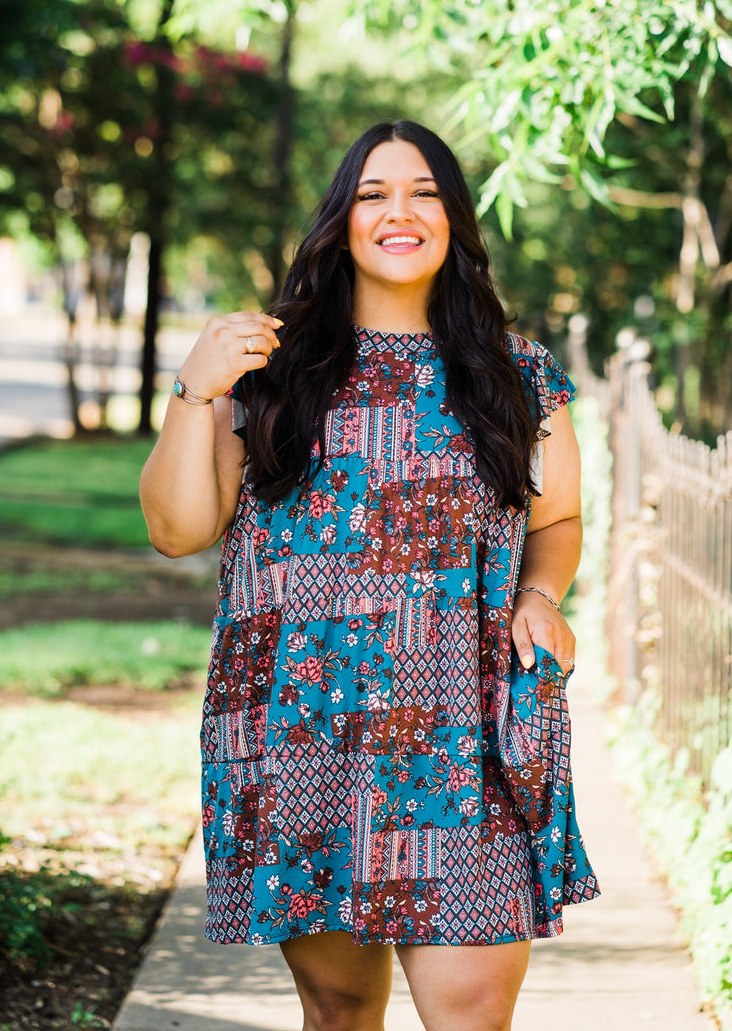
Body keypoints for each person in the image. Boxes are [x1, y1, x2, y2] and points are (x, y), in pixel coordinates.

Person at [139, 120, 599, 1031]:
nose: (401, 212)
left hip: (465, 729)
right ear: (340, 222)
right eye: (373, 193)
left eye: (424, 192)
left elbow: (557, 519)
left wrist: (541, 596)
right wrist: (195, 392)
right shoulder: (270, 370)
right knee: (341, 1010)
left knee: (470, 1011)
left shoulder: (516, 375)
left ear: (454, 221)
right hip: (304, 726)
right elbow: (176, 527)